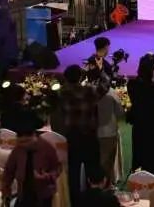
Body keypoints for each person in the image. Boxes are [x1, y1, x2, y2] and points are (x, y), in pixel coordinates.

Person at [57, 65, 100, 205]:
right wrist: (99, 71)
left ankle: (75, 201)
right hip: (89, 135)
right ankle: (93, 199)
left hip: (73, 135)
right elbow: (104, 86)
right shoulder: (90, 91)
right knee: (92, 169)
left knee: (73, 170)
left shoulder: (62, 93)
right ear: (81, 77)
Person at [2, 121, 61, 207]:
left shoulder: (47, 147)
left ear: (33, 137)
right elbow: (9, 171)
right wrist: (6, 188)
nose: (23, 145)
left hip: (43, 196)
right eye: (21, 142)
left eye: (26, 142)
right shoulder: (18, 149)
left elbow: (57, 169)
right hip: (23, 193)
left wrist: (47, 176)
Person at [96, 80, 124, 185]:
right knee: (109, 161)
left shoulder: (91, 93)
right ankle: (107, 183)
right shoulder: (112, 94)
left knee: (99, 159)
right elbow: (120, 113)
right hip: (110, 132)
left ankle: (99, 182)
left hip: (94, 132)